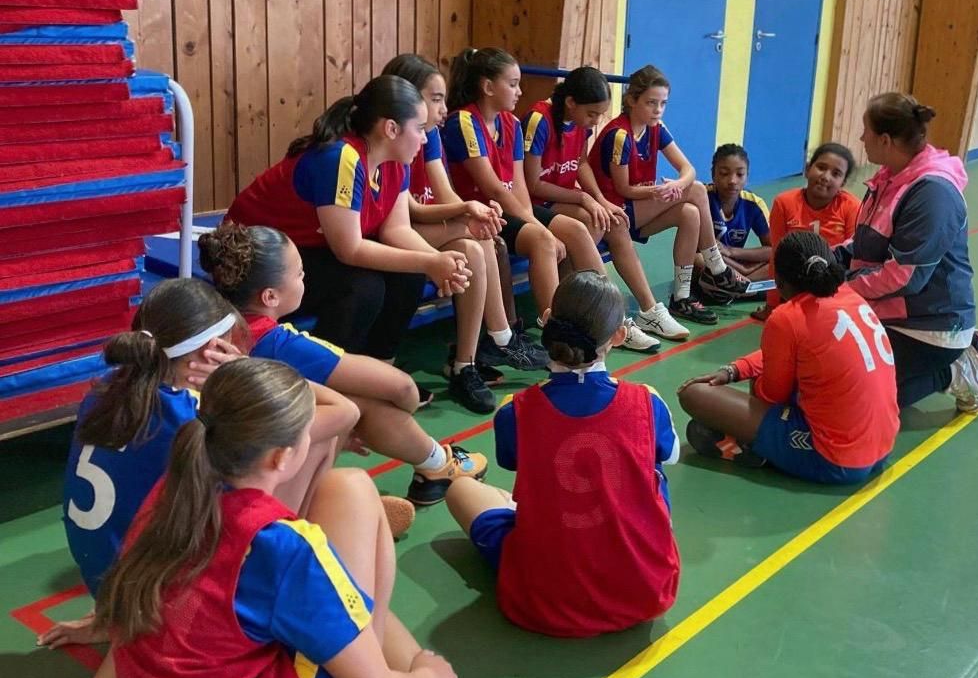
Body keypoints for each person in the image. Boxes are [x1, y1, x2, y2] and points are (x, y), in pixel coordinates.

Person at [83, 358, 462, 678]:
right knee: (353, 488)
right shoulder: (282, 545)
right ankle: (375, 652)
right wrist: (428, 676)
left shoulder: (172, 494)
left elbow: (130, 629)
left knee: (345, 492)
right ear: (282, 456)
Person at [45, 279, 360, 649]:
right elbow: (345, 410)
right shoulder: (194, 419)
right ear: (213, 351)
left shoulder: (108, 387)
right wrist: (246, 370)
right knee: (314, 439)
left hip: (113, 591)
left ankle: (113, 617)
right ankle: (288, 555)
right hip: (163, 607)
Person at [444, 271, 680, 637]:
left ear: (547, 318)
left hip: (545, 601)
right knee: (652, 470)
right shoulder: (648, 401)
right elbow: (672, 455)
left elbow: (514, 462)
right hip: (646, 593)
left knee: (461, 488)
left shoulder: (515, 410)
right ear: (619, 335)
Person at [198, 222, 490, 505]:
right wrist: (404, 407)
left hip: (209, 462)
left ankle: (434, 465)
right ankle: (433, 467)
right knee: (355, 404)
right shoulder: (276, 343)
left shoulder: (209, 322)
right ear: (270, 296)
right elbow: (402, 387)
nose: (305, 278)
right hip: (242, 471)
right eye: (299, 274)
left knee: (323, 405)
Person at [227, 74, 473, 408]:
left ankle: (378, 369)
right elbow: (350, 250)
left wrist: (437, 262)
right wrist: (431, 261)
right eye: (419, 128)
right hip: (256, 256)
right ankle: (321, 384)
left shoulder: (396, 161)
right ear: (391, 129)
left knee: (409, 275)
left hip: (307, 247)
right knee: (361, 287)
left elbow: (396, 231)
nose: (425, 137)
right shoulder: (341, 158)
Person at [838, 92, 978, 412]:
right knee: (829, 377)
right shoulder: (889, 178)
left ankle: (953, 369)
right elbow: (865, 243)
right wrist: (823, 259)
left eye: (865, 130)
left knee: (859, 404)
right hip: (884, 310)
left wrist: (839, 286)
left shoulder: (933, 194)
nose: (861, 138)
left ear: (885, 140)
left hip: (930, 326)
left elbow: (905, 277)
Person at [381, 53, 549, 394]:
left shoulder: (429, 136)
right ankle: (501, 335)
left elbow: (444, 196)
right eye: (435, 99)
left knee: (476, 245)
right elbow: (406, 214)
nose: (444, 109)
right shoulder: (392, 139)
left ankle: (465, 364)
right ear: (407, 98)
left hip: (416, 228)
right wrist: (468, 216)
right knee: (478, 237)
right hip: (390, 234)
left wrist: (470, 212)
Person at [679, 232, 899, 484]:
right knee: (792, 372)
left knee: (694, 394)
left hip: (837, 460)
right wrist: (736, 369)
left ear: (778, 282)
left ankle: (756, 448)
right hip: (882, 447)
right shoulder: (850, 296)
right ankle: (761, 445)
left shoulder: (787, 318)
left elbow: (771, 395)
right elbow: (799, 351)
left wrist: (754, 378)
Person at [441, 47, 606, 326]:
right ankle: (556, 329)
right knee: (543, 241)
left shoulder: (512, 122)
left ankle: (608, 316)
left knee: (577, 230)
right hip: (481, 215)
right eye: (513, 84)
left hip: (510, 209)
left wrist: (533, 220)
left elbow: (518, 186)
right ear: (488, 87)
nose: (520, 92)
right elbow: (495, 190)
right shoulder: (464, 122)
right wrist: (540, 229)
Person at [521, 66, 681, 350]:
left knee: (612, 221)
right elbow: (532, 184)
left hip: (561, 197)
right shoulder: (539, 120)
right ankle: (615, 320)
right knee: (585, 227)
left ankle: (649, 310)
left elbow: (581, 162)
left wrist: (599, 199)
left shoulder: (580, 121)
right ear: (571, 102)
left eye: (599, 115)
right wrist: (584, 199)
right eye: (592, 114)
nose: (595, 121)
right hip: (532, 202)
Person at [589, 64, 749, 328]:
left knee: (690, 212)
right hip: (616, 210)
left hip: (638, 207)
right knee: (696, 190)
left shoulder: (656, 127)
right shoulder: (620, 135)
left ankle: (682, 297)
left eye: (663, 103)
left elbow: (688, 169)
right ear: (631, 100)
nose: (658, 109)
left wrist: (676, 185)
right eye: (651, 103)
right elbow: (623, 189)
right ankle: (717, 266)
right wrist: (660, 191)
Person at [752, 142, 860, 320]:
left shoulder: (851, 207)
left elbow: (852, 261)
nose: (825, 176)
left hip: (831, 287)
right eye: (821, 167)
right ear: (808, 169)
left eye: (836, 174)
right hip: (794, 285)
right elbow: (776, 257)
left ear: (843, 183)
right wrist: (771, 305)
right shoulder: (784, 203)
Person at [696, 143, 771, 304]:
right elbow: (695, 249)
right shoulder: (701, 197)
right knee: (699, 259)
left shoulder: (754, 203)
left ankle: (733, 287)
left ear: (747, 176)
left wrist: (732, 252)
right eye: (724, 174)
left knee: (781, 261)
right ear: (713, 175)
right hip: (711, 262)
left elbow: (773, 249)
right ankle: (743, 287)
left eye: (740, 174)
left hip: (735, 262)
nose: (732, 181)